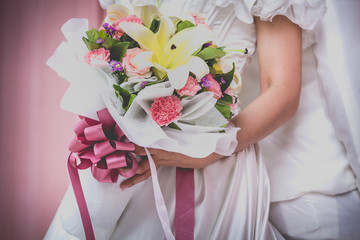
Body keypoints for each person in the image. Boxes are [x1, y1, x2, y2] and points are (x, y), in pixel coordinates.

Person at [45, 0, 350, 239]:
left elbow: (282, 91)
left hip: (215, 158)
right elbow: (109, 49)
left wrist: (213, 148)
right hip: (131, 155)